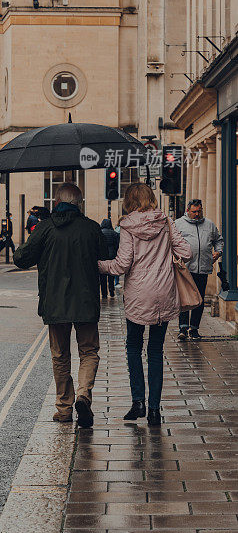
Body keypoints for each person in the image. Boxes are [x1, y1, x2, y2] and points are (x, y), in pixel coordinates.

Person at [14, 183, 108, 428]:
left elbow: (21, 259)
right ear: (79, 203)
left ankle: (64, 408)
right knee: (89, 352)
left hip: (55, 303)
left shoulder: (45, 228)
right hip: (86, 302)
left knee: (60, 355)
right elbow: (107, 256)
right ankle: (84, 395)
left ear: (56, 203)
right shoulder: (91, 228)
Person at [98, 183, 191, 427]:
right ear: (150, 198)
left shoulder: (128, 226)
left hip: (139, 295)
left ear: (129, 201)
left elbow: (121, 265)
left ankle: (138, 401)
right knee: (156, 351)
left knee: (133, 347)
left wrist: (100, 265)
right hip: (165, 292)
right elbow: (187, 252)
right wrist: (166, 255)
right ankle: (154, 411)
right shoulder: (167, 222)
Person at [174, 199, 224, 340]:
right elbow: (171, 242)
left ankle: (194, 329)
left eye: (199, 211)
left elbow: (218, 240)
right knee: (184, 299)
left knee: (199, 300)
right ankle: (183, 328)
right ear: (188, 211)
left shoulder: (209, 224)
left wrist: (218, 252)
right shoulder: (178, 224)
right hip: (185, 269)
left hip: (202, 268)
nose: (197, 214)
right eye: (194, 211)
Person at [99, 218, 120, 298]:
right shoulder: (114, 233)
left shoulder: (100, 233)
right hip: (112, 255)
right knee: (111, 274)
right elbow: (117, 245)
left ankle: (104, 293)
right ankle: (111, 291)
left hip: (102, 256)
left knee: (103, 275)